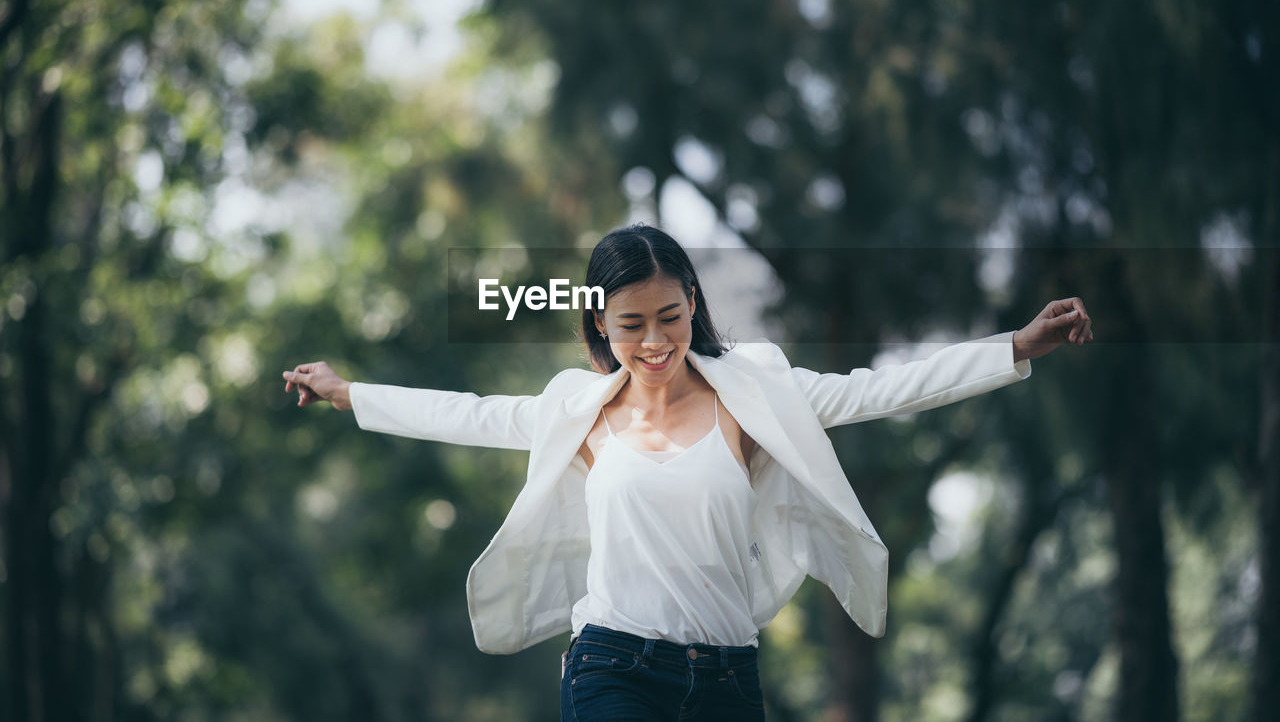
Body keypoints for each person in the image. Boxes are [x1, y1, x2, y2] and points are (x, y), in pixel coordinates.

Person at [282, 224, 1092, 721]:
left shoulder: (756, 392)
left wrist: (1013, 348)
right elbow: (469, 412)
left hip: (727, 678)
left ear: (694, 303)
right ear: (601, 322)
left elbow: (876, 390)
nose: (655, 341)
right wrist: (349, 394)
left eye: (670, 316)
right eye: (631, 324)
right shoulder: (582, 410)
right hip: (612, 670)